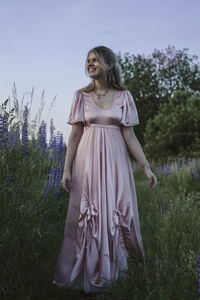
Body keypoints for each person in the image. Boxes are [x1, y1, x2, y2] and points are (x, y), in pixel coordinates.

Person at [52, 46, 157, 295]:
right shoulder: (81, 96)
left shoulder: (124, 96)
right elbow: (75, 134)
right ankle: (89, 271)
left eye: (95, 60)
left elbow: (130, 136)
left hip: (115, 163)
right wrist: (66, 169)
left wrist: (146, 167)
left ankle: (115, 274)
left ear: (109, 65)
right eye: (88, 60)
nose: (90, 64)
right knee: (90, 215)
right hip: (87, 162)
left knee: (117, 212)